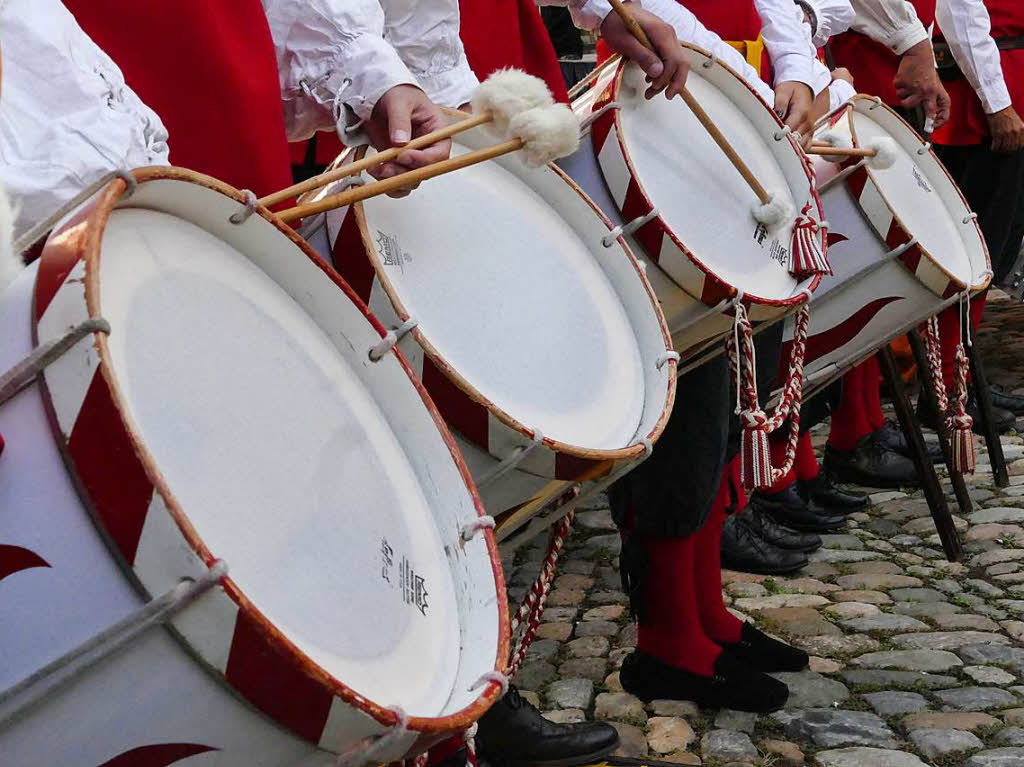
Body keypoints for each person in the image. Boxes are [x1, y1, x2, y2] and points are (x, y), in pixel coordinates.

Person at [927, 0, 1024, 422]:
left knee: (992, 253)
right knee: (972, 256)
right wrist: (997, 105)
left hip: (1007, 87)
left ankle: (961, 379)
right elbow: (959, 17)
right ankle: (946, 387)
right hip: (987, 102)